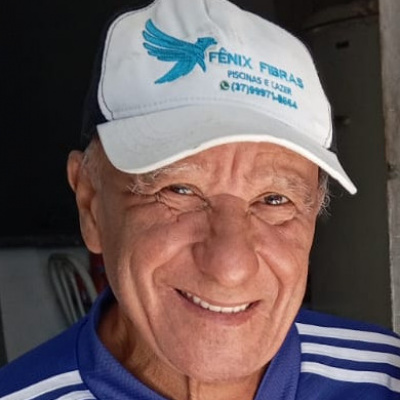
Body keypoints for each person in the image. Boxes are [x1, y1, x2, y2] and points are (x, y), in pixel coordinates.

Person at [1, 0, 399, 399]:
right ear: (90, 204)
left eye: (275, 199)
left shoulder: (386, 381)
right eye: (178, 190)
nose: (229, 267)